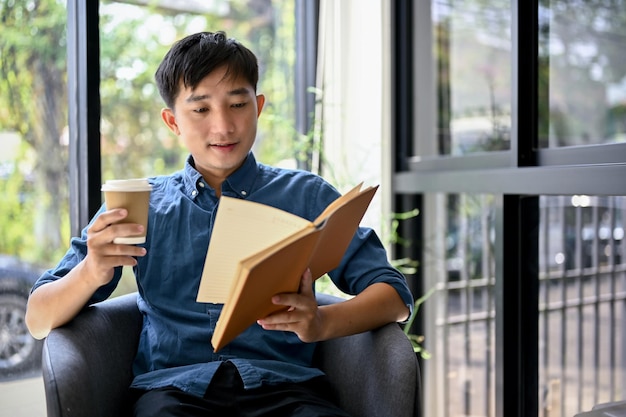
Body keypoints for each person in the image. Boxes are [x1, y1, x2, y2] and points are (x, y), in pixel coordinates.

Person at [25, 31, 413, 417]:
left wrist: (320, 323)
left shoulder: (307, 196)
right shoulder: (141, 204)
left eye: (238, 104)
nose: (224, 126)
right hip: (173, 393)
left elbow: (394, 296)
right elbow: (39, 318)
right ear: (172, 121)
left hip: (287, 390)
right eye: (201, 109)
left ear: (258, 106)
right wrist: (92, 271)